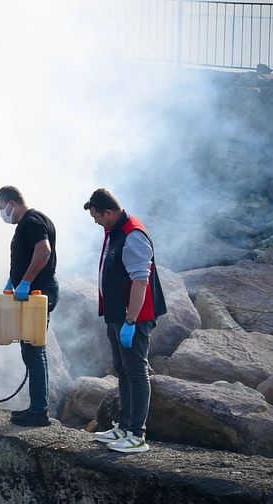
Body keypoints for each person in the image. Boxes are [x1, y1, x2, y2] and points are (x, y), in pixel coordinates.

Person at [84, 188, 167, 453]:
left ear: (108, 212)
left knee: (136, 371)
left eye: (97, 217)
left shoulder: (133, 234)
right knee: (122, 369)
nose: (96, 222)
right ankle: (124, 426)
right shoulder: (114, 231)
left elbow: (140, 281)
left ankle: (137, 434)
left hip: (133, 318)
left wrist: (131, 321)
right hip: (116, 315)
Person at [0, 186, 58, 427]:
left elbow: (44, 251)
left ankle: (39, 411)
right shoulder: (31, 222)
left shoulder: (31, 221)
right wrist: (14, 280)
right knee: (29, 347)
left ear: (12, 203)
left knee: (34, 348)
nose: (1, 214)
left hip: (37, 292)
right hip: (30, 292)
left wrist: (25, 282)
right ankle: (36, 407)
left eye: (1, 208)